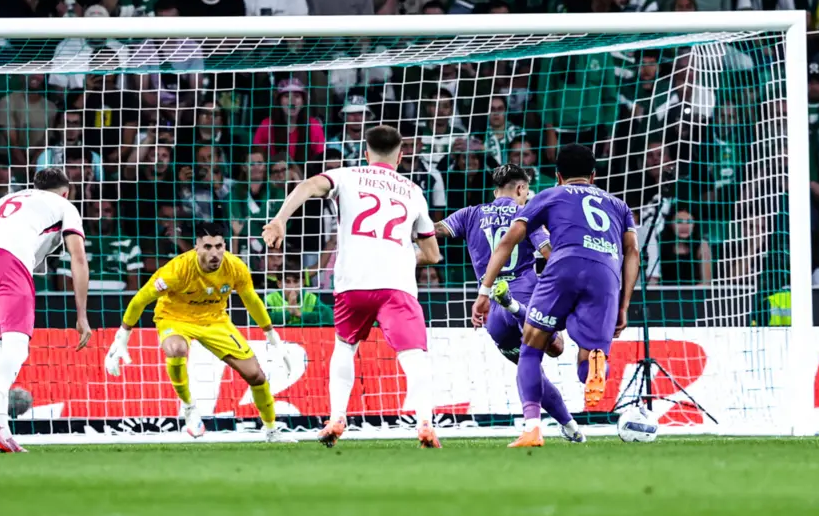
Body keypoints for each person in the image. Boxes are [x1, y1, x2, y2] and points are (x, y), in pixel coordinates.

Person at [262, 124, 443, 448]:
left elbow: (307, 185)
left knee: (345, 347)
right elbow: (432, 254)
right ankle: (425, 422)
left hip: (352, 284)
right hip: (396, 285)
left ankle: (336, 418)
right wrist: (403, 256)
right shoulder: (413, 191)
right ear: (400, 156)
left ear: (365, 153)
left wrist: (279, 220)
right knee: (414, 355)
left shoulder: (346, 176)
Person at [473, 143, 640, 448]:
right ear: (593, 175)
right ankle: (596, 364)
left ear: (558, 176)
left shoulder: (549, 195)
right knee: (586, 361)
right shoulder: (619, 206)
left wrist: (484, 290)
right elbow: (632, 252)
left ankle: (533, 429)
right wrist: (624, 304)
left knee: (531, 349)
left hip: (564, 267)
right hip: (605, 275)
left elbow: (507, 242)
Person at [0, 167, 91, 452]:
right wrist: (82, 315)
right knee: (17, 348)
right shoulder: (65, 206)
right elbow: (79, 258)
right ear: (65, 192)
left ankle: (3, 431)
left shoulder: (5, 202)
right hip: (10, 264)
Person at [103, 221, 295, 442]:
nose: (214, 253)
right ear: (196, 247)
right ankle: (189, 407)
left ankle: (271, 430)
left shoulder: (235, 267)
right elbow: (140, 300)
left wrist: (272, 336)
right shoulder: (176, 270)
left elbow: (251, 300)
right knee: (176, 349)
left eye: (219, 246)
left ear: (225, 246)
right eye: (208, 247)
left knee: (255, 375)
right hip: (176, 318)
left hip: (215, 321)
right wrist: (122, 338)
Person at [435, 164, 584, 442]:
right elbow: (548, 252)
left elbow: (435, 231)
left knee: (530, 370)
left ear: (495, 191)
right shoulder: (526, 216)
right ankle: (516, 308)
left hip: (492, 309)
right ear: (521, 189)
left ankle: (570, 427)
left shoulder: (470, 214)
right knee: (556, 348)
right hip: (529, 296)